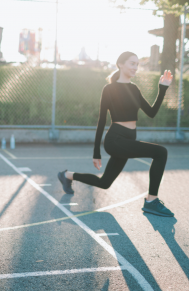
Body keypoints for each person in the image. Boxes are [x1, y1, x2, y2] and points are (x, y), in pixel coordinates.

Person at [57, 51, 174, 217]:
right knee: (160, 152)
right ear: (121, 64)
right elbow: (102, 120)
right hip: (115, 139)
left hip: (128, 139)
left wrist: (162, 88)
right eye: (132, 63)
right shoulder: (109, 89)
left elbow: (152, 112)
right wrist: (96, 152)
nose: (135, 67)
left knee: (104, 183)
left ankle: (66, 175)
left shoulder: (134, 89)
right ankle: (151, 201)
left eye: (137, 64)